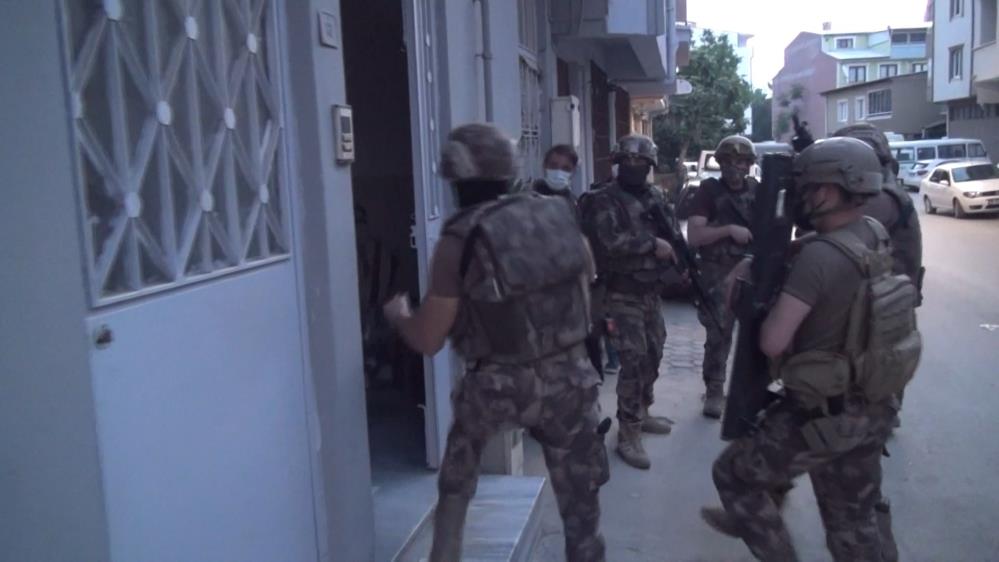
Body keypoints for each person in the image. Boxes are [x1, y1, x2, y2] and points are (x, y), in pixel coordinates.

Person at [383, 123, 608, 562]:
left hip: (497, 385)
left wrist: (399, 316)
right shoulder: (557, 214)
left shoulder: (459, 240)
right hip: (571, 377)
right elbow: (589, 275)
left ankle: (445, 551)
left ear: (454, 176)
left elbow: (428, 339)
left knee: (457, 477)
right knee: (581, 505)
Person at [705, 137, 920, 561]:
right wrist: (759, 260)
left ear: (828, 190)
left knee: (733, 475)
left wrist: (753, 301)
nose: (802, 197)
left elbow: (773, 342)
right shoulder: (872, 231)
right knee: (853, 522)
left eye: (808, 187)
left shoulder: (817, 260)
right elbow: (826, 249)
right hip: (872, 404)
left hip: (822, 414)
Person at [579, 134, 677, 470]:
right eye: (628, 161)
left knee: (654, 352)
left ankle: (642, 409)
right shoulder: (602, 199)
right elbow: (608, 242)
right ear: (618, 163)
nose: (634, 166)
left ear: (650, 165)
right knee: (633, 359)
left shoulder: (654, 196)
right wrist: (652, 245)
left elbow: (671, 233)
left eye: (641, 161)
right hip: (620, 292)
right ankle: (628, 431)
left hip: (650, 291)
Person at [685, 135, 758, 418]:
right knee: (719, 334)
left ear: (749, 164)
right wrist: (728, 230)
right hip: (718, 273)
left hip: (751, 270)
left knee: (756, 334)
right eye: (728, 160)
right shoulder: (708, 191)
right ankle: (714, 390)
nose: (734, 167)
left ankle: (750, 391)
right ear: (719, 163)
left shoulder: (757, 190)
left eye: (740, 161)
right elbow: (694, 236)